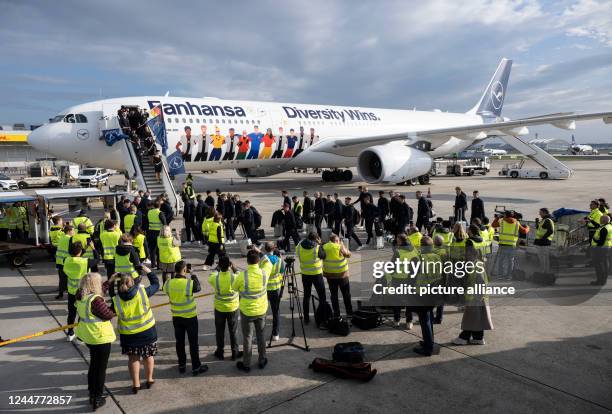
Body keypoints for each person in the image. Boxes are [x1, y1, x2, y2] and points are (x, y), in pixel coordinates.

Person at [110, 268, 159, 394]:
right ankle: (149, 379)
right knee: (148, 356)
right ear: (131, 282)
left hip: (128, 335)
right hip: (147, 331)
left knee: (133, 359)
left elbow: (111, 295)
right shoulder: (142, 292)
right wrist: (148, 271)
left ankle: (136, 384)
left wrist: (112, 281)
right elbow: (156, 284)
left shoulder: (116, 300)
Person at [74, 272, 116, 410]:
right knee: (101, 368)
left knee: (94, 364)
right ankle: (97, 397)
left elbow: (100, 290)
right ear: (94, 284)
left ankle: (92, 392)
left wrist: (110, 281)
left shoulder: (80, 295)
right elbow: (108, 314)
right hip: (100, 337)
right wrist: (115, 305)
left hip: (88, 336)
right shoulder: (96, 300)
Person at [163, 260, 208, 375]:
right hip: (190, 317)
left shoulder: (168, 283)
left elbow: (166, 291)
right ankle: (196, 367)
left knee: (180, 342)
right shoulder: (189, 283)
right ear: (184, 270)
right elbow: (198, 288)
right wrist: (192, 274)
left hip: (176, 317)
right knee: (193, 343)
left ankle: (182, 365)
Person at [452, 231, 493, 346]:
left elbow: (478, 282)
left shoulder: (475, 266)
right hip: (479, 297)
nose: (465, 255)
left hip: (476, 298)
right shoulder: (478, 263)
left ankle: (463, 337)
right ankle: (478, 338)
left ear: (473, 253)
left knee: (470, 319)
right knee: (478, 319)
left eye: (467, 253)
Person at [232, 250, 269, 372]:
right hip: (261, 310)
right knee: (261, 335)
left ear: (247, 261)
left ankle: (246, 364)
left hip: (247, 312)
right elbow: (268, 261)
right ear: (258, 261)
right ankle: (262, 359)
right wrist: (260, 251)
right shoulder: (264, 273)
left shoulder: (243, 275)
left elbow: (234, 288)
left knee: (247, 337)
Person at [411, 236, 444, 356]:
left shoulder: (418, 258)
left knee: (424, 321)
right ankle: (429, 341)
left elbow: (411, 276)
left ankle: (428, 348)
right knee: (429, 317)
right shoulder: (437, 257)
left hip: (422, 294)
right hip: (434, 292)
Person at [209, 255, 242, 360]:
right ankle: (235, 352)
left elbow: (212, 274)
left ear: (219, 265)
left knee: (219, 331)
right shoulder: (234, 277)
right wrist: (233, 267)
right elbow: (238, 274)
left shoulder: (215, 278)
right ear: (229, 265)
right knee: (233, 331)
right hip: (232, 308)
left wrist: (218, 267)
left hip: (219, 308)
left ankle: (220, 351)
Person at [64, 242, 94, 341]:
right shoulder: (86, 261)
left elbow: (75, 256)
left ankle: (70, 333)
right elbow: (97, 259)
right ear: (81, 251)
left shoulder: (66, 260)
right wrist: (93, 248)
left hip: (72, 291)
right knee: (82, 313)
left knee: (71, 313)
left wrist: (83, 249)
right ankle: (80, 336)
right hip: (83, 292)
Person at [389, 233, 420, 329]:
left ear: (401, 241)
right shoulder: (414, 250)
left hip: (398, 279)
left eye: (397, 240)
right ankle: (409, 321)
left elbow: (392, 267)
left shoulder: (398, 252)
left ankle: (397, 320)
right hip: (411, 279)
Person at [296, 232, 327, 323]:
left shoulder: (299, 246)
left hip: (305, 274)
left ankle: (306, 318)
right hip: (316, 274)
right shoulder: (317, 247)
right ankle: (322, 317)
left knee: (306, 296)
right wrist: (320, 244)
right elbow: (323, 256)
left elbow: (298, 251)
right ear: (316, 239)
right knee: (322, 296)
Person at [492, 211, 529, 280]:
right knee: (510, 261)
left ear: (505, 215)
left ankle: (500, 275)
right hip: (511, 245)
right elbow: (524, 231)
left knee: (501, 260)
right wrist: (528, 228)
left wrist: (497, 217)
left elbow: (493, 225)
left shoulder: (502, 221)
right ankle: (508, 276)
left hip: (502, 244)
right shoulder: (517, 223)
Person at [259, 242, 284, 341]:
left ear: (265, 249)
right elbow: (282, 271)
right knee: (276, 312)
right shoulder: (279, 260)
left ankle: (260, 335)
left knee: (262, 313)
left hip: (264, 289)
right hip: (276, 289)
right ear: (274, 249)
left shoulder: (262, 260)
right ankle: (275, 334)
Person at [323, 234, 352, 316]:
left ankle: (336, 313)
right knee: (346, 294)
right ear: (336, 241)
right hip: (342, 275)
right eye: (339, 240)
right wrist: (342, 245)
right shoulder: (339, 246)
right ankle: (349, 312)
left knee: (334, 295)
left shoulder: (325, 246)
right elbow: (348, 255)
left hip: (330, 275)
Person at [590, 214, 612, 286]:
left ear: (604, 220)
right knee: (605, 264)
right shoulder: (609, 226)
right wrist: (591, 221)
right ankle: (603, 280)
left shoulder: (604, 228)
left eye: (601, 219)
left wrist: (594, 240)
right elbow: (597, 226)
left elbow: (601, 241)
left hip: (600, 248)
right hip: (607, 247)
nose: (599, 220)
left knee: (599, 265)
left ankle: (600, 281)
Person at [55, 223, 74, 299]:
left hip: (59, 261)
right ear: (69, 231)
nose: (74, 232)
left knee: (62, 279)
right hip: (67, 262)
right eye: (73, 231)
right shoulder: (70, 239)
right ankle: (70, 293)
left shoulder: (61, 237)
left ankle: (60, 293)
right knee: (70, 279)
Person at [146, 200, 166, 268]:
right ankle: (159, 265)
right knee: (159, 249)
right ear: (160, 206)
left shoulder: (149, 212)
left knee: (152, 249)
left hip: (151, 232)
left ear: (153, 206)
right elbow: (165, 224)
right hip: (158, 233)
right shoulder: (160, 213)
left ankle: (153, 264)